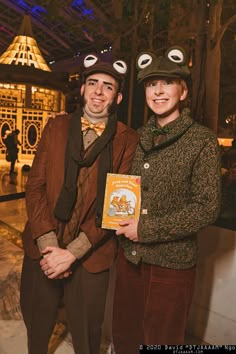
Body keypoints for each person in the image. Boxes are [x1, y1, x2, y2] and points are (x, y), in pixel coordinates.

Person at [20, 54, 139, 354]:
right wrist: (51, 247)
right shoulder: (56, 127)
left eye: (108, 87)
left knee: (87, 336)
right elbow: (34, 188)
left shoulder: (127, 140)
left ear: (118, 97)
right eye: (93, 83)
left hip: (91, 253)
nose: (99, 91)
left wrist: (70, 255)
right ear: (83, 89)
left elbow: (117, 207)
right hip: (43, 247)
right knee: (36, 325)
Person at [112, 46, 221, 351]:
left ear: (183, 91)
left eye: (167, 83)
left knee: (161, 340)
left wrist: (145, 230)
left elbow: (207, 207)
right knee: (125, 337)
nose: (158, 91)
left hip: (172, 265)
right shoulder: (138, 136)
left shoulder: (201, 140)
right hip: (130, 259)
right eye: (150, 84)